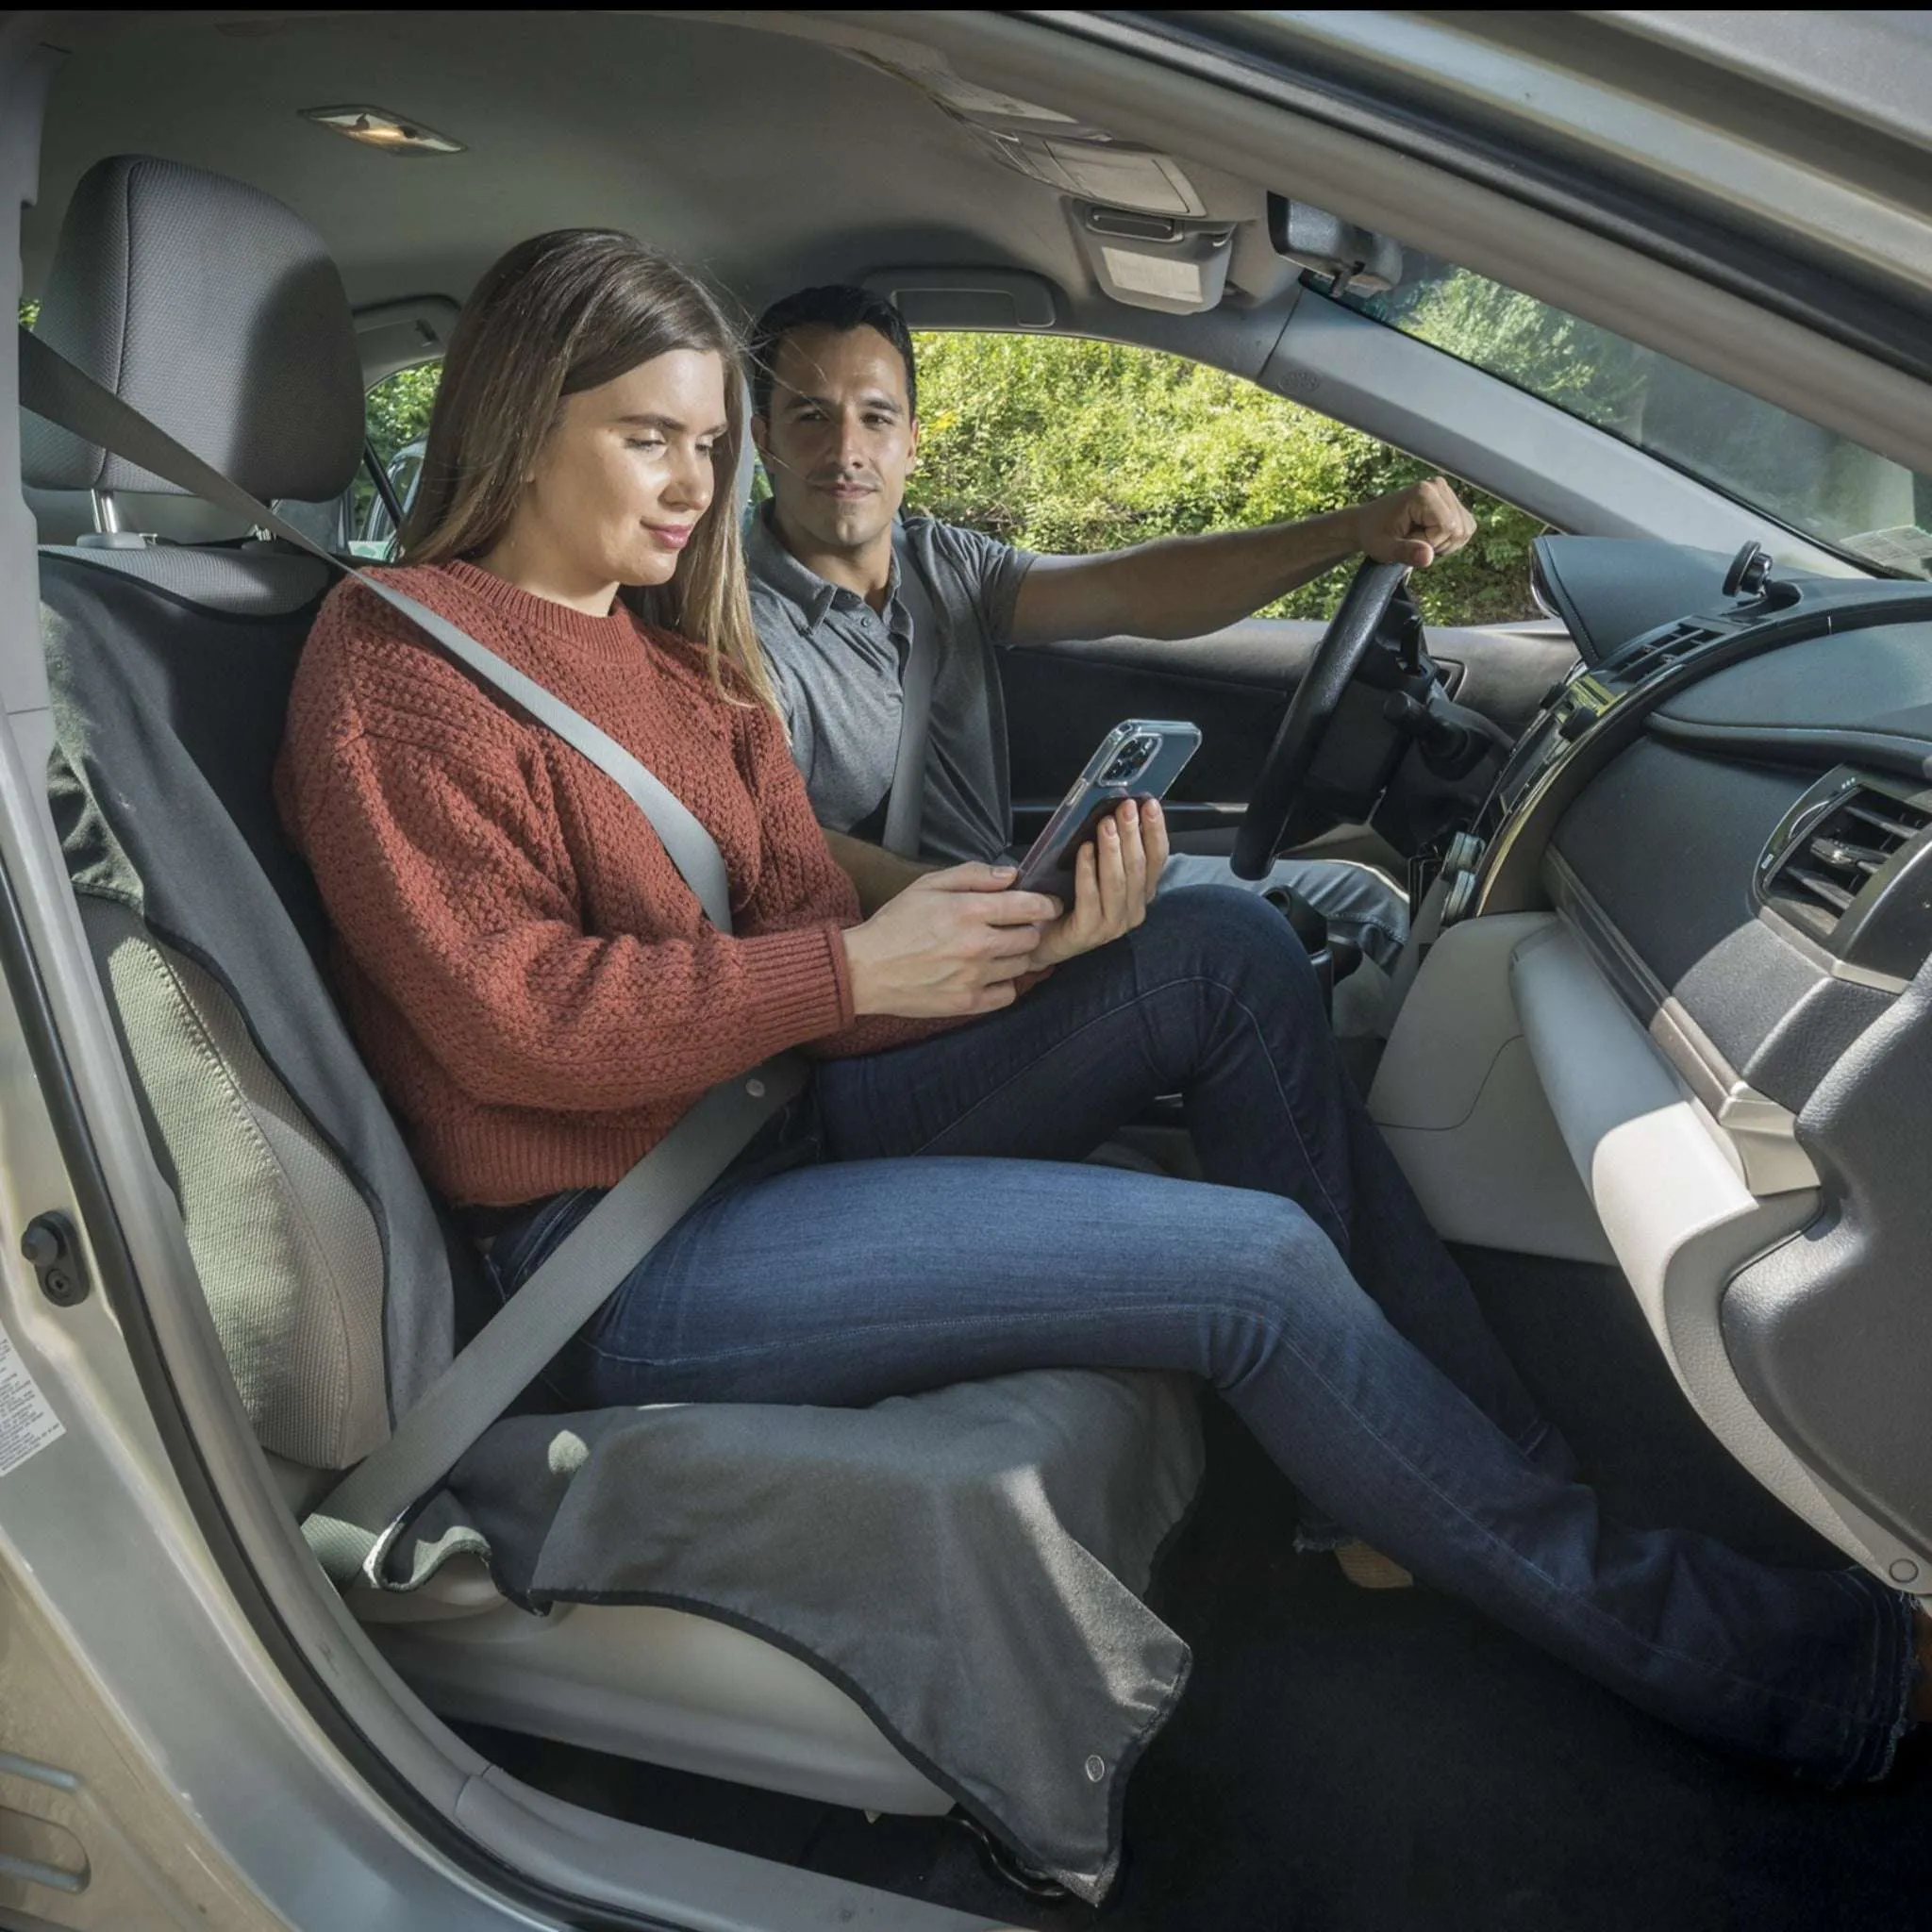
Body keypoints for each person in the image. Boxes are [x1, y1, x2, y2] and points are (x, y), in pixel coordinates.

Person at [275, 226, 1927, 1790]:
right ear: (516, 422)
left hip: (766, 1121)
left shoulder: (679, 658)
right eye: (653, 438)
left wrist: (1029, 950)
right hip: (615, 1246)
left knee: (1212, 945)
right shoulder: (395, 663)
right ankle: (1768, 1667)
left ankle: (1453, 1477)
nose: (697, 483)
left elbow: (792, 955)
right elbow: (519, 1020)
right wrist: (853, 968)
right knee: (1257, 1266)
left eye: (707, 442)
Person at [743, 283, 1470, 983]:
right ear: (764, 437)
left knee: (1360, 901)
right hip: (913, 961)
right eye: (812, 417)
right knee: (1242, 946)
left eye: (875, 418)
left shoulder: (940, 561)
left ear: (912, 442)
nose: (846, 451)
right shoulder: (734, 621)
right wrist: (990, 909)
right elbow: (772, 841)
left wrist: (1349, 531)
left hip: (1012, 893)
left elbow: (1133, 590)